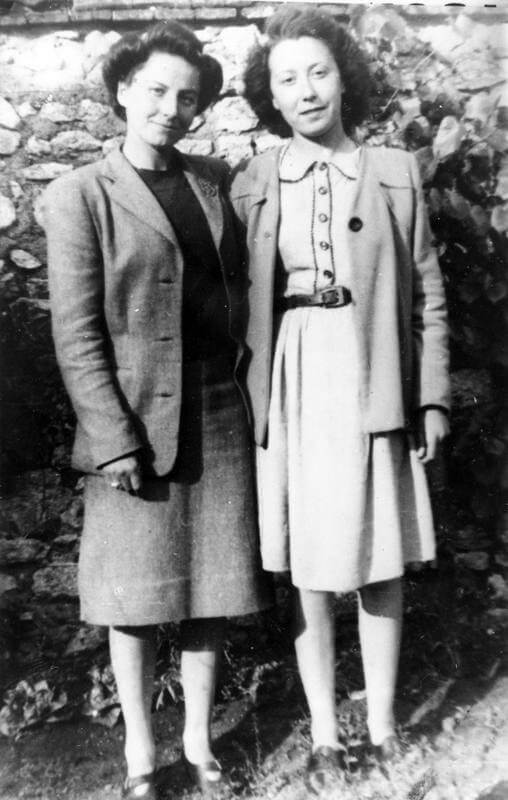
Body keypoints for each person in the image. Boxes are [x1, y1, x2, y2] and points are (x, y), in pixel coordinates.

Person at [43, 22, 270, 800]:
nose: (171, 108)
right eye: (155, 91)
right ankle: (142, 754)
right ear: (121, 93)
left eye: (187, 97)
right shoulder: (80, 194)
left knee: (214, 590)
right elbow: (75, 333)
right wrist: (113, 442)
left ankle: (201, 743)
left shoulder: (213, 181)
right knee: (134, 601)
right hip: (134, 419)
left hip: (219, 409)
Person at [231, 6, 450, 791]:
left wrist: (431, 398)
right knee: (307, 559)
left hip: (372, 369)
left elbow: (426, 287)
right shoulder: (255, 178)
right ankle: (324, 729)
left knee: (379, 552)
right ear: (272, 96)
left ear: (344, 78)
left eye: (319, 71)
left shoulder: (394, 169)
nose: (306, 89)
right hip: (294, 370)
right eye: (287, 79)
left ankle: (384, 720)